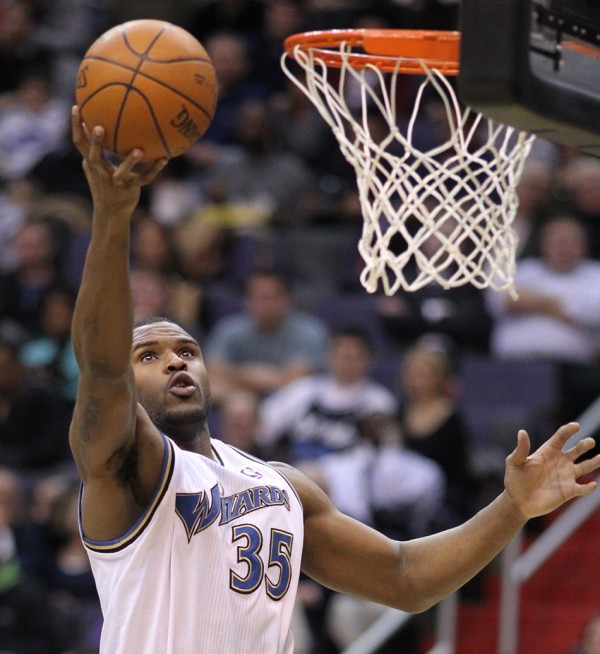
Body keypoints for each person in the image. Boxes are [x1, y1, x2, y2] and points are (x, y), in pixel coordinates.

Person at [68, 106, 600, 654]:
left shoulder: (280, 485)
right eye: (148, 356)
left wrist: (512, 507)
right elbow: (103, 368)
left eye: (186, 350)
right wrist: (113, 215)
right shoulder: (126, 470)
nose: (176, 361)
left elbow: (405, 578)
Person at [204, 269, 329, 402]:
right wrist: (263, 376)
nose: (265, 305)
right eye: (259, 298)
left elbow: (295, 380)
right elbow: (213, 372)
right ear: (247, 301)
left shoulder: (310, 331)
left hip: (292, 404)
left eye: (271, 298)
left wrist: (237, 375)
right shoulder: (229, 329)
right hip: (240, 398)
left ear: (287, 299)